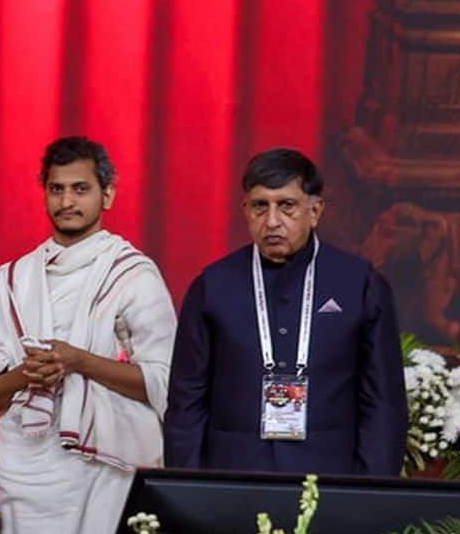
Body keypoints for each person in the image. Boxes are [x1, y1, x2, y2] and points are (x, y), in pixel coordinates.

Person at [0, 136, 176, 534]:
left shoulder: (133, 275)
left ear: (108, 194)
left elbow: (163, 382)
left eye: (80, 189)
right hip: (25, 463)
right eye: (57, 189)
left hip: (105, 466)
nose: (67, 201)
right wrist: (26, 375)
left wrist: (79, 361)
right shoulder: (12, 281)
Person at [164, 149, 406, 476]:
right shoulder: (213, 286)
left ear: (315, 211)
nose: (272, 221)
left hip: (330, 474)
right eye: (260, 206)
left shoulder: (359, 284)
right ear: (245, 210)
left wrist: (369, 489)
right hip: (234, 474)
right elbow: (186, 402)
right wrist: (189, 486)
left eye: (287, 206)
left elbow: (383, 404)